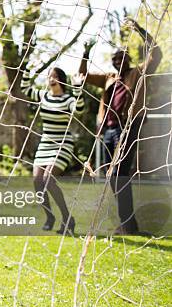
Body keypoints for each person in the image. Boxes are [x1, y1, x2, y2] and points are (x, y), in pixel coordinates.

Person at [80, 18, 162, 235]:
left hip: (128, 127)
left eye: (122, 57)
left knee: (119, 174)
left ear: (128, 59)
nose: (118, 61)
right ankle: (129, 225)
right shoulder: (109, 78)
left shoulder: (139, 72)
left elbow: (157, 53)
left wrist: (140, 31)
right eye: (115, 58)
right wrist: (86, 52)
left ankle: (128, 225)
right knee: (113, 177)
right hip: (108, 130)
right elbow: (83, 75)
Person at [21, 66, 85, 235]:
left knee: (48, 179)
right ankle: (49, 217)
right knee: (37, 181)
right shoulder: (43, 96)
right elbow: (24, 88)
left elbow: (78, 110)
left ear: (61, 79)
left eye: (55, 76)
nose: (51, 78)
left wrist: (78, 88)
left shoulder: (68, 99)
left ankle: (67, 219)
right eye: (49, 76)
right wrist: (28, 68)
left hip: (63, 143)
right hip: (45, 143)